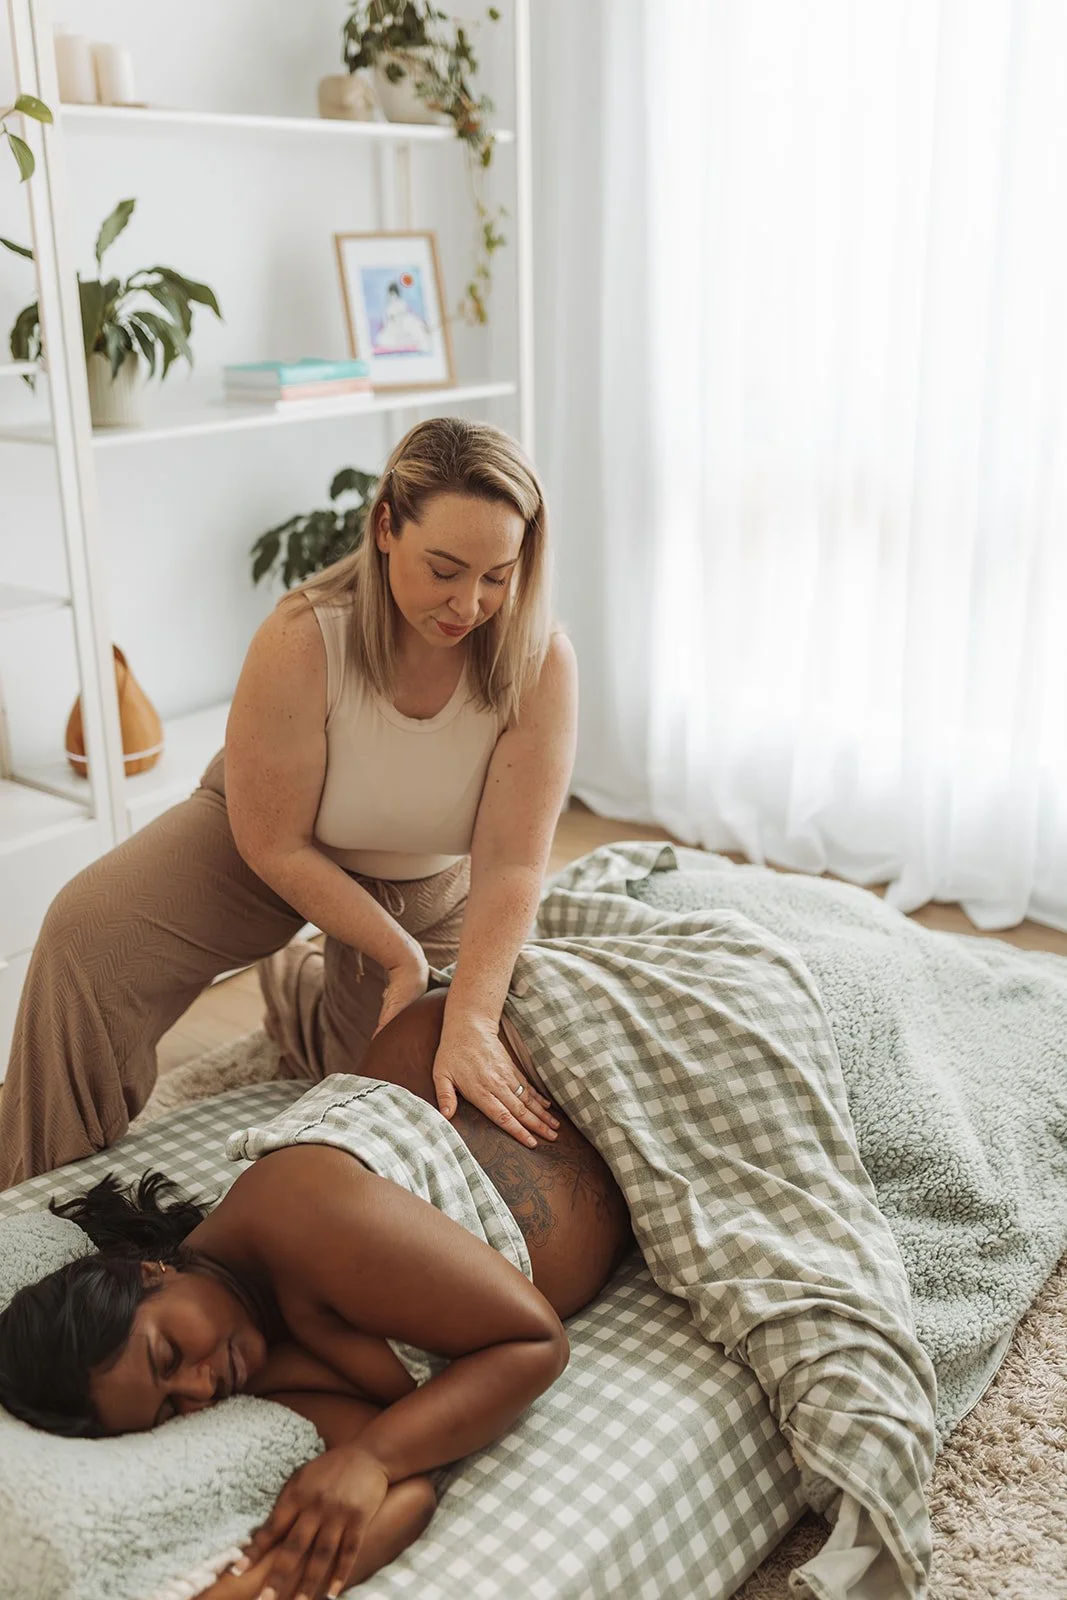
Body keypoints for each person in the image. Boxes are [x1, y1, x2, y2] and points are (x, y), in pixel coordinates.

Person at [0, 417, 578, 1188]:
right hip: (264, 844)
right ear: (385, 528)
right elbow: (272, 842)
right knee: (83, 932)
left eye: (496, 576)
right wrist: (395, 955)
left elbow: (511, 863)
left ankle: (301, 989)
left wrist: (470, 1018)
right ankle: (31, 1195)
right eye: (443, 569)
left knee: (399, 1096)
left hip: (425, 881)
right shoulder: (303, 634)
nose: (467, 603)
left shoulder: (538, 660)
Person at [0, 989, 634, 1600]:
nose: (198, 1390)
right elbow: (400, 1495)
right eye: (170, 1411)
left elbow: (534, 1341)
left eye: (167, 1356)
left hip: (544, 1053)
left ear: (149, 1272)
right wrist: (249, 1590)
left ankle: (304, 990)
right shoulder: (253, 1368)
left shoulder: (299, 1214)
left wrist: (374, 1457)